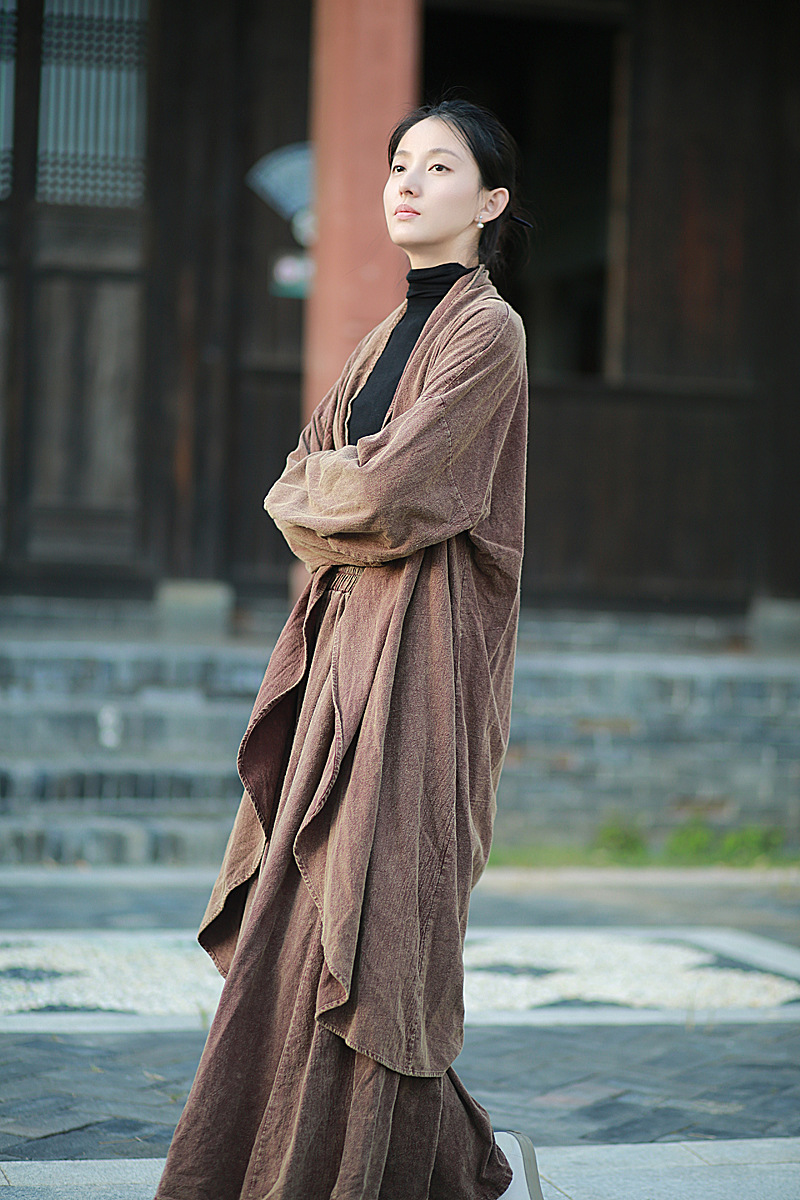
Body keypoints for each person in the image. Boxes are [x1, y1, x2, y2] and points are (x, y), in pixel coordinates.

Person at [155, 98, 542, 1200]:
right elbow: (301, 480)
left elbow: (383, 491)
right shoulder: (382, 337)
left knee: (376, 928)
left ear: (492, 201)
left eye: (439, 167)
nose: (406, 183)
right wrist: (333, 491)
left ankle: (381, 1167)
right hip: (339, 653)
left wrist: (334, 491)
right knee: (305, 909)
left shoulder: (487, 333)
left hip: (420, 663)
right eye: (397, 163)